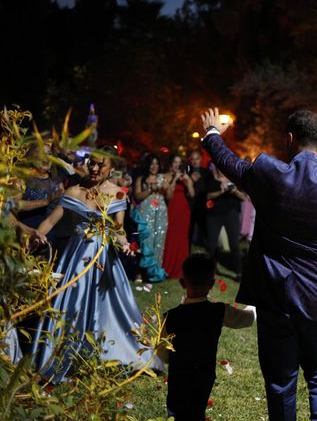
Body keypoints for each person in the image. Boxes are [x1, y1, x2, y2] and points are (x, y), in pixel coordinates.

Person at [200, 107, 317, 421]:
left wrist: (212, 134)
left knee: (280, 379)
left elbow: (230, 164)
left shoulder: (268, 172)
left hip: (276, 296)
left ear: (289, 139)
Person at [31, 148, 163, 382]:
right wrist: (37, 235)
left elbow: (118, 229)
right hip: (75, 257)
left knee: (107, 307)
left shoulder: (117, 194)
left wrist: (123, 243)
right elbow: (50, 221)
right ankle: (63, 356)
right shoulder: (73, 191)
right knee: (72, 305)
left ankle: (108, 353)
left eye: (100, 165)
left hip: (102, 257)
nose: (94, 168)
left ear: (110, 168)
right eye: (91, 163)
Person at [159, 253, 255, 421]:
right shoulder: (219, 311)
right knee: (197, 410)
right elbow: (246, 318)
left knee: (175, 412)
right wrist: (256, 304)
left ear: (182, 283)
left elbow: (163, 353)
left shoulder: (169, 316)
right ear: (211, 284)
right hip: (204, 375)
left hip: (178, 376)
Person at [131, 154, 168, 282]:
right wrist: (150, 190)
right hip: (146, 213)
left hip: (161, 213)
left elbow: (169, 195)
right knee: (145, 242)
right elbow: (137, 196)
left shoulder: (163, 178)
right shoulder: (141, 178)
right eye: (152, 164)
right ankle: (139, 273)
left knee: (158, 242)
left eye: (156, 164)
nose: (154, 166)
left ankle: (153, 273)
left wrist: (167, 184)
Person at [205, 167, 245, 279]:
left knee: (234, 244)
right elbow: (208, 196)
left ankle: (239, 273)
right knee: (211, 245)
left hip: (231, 214)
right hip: (214, 214)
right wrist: (221, 191)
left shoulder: (235, 179)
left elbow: (243, 197)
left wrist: (234, 191)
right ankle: (207, 272)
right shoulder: (211, 178)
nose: (221, 169)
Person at [163, 154, 195, 278]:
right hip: (171, 210)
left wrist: (187, 180)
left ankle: (182, 269)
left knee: (182, 239)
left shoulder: (186, 178)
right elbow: (168, 196)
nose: (177, 165)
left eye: (179, 162)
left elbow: (192, 194)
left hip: (184, 211)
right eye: (175, 162)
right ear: (171, 164)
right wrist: (175, 179)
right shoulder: (166, 176)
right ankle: (168, 267)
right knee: (170, 238)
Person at [188, 149, 211, 247]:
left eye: (197, 159)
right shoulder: (187, 173)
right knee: (189, 230)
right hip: (190, 206)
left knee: (206, 230)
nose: (195, 161)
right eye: (192, 159)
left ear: (200, 159)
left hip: (203, 205)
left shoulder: (207, 172)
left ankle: (211, 254)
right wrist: (191, 179)